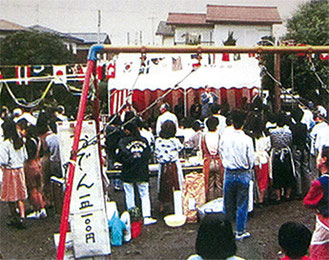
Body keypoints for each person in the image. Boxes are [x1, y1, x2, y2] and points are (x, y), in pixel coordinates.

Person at [219, 110, 255, 240]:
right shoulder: (247, 139)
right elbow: (251, 158)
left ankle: (226, 231)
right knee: (242, 204)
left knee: (227, 204)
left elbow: (221, 152)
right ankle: (240, 231)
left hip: (229, 172)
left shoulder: (224, 137)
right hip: (243, 173)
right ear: (244, 122)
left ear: (232, 122)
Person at [117, 122, 157, 226]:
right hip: (142, 170)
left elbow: (120, 157)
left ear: (128, 131)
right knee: (144, 194)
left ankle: (132, 216)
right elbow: (148, 154)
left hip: (128, 171)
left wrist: (129, 159)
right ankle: (147, 216)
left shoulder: (123, 142)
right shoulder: (143, 140)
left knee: (129, 194)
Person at [0, 119, 28, 229]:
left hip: (9, 171)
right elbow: (25, 156)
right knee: (20, 196)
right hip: (20, 169)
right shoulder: (20, 141)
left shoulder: (5, 144)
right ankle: (22, 216)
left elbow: (3, 160)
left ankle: (14, 217)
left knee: (10, 196)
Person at [303, 146, 329, 259]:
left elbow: (308, 202)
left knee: (316, 249)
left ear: (324, 159)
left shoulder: (319, 183)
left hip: (325, 221)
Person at [155, 120, 183, 214]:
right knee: (175, 185)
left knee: (162, 185)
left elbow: (156, 152)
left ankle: (162, 205)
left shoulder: (158, 141)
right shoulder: (175, 141)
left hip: (163, 166)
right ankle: (176, 204)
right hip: (173, 165)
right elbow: (180, 148)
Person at [269, 113, 295, 202]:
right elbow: (290, 142)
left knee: (277, 175)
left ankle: (278, 196)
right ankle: (287, 195)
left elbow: (272, 143)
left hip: (276, 154)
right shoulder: (288, 132)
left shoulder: (272, 132)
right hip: (286, 154)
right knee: (288, 174)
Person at [24, 125, 47, 219]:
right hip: (38, 164)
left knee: (32, 189)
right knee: (39, 188)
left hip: (30, 165)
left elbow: (28, 155)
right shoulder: (38, 140)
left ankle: (37, 209)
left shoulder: (29, 142)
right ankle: (43, 208)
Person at [201, 116, 223, 201]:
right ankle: (220, 202)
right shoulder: (219, 136)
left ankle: (210, 202)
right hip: (218, 161)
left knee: (209, 185)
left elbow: (202, 149)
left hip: (208, 162)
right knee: (219, 184)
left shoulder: (204, 136)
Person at [250, 117, 271, 206]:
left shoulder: (250, 136)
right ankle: (261, 199)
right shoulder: (266, 135)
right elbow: (268, 147)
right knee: (263, 179)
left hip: (254, 159)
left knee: (255, 179)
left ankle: (255, 198)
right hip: (263, 158)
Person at [105, 114, 123, 191]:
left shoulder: (107, 129)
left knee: (111, 166)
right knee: (118, 167)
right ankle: (117, 183)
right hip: (116, 149)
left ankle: (112, 183)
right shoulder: (116, 131)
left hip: (109, 149)